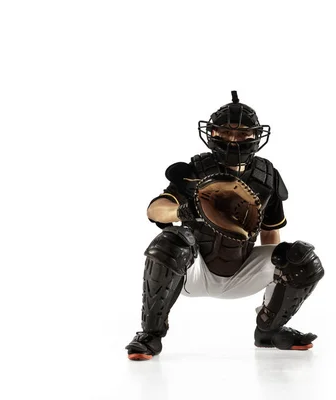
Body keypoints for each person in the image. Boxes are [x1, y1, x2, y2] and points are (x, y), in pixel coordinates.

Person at [126, 91, 324, 361]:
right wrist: (186, 209)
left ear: (255, 136)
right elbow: (155, 209)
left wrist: (276, 276)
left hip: (241, 269)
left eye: (242, 133)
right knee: (170, 241)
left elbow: (270, 233)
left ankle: (269, 330)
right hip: (193, 271)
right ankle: (151, 334)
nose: (233, 139)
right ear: (212, 133)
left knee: (302, 259)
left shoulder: (267, 176)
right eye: (225, 132)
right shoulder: (196, 169)